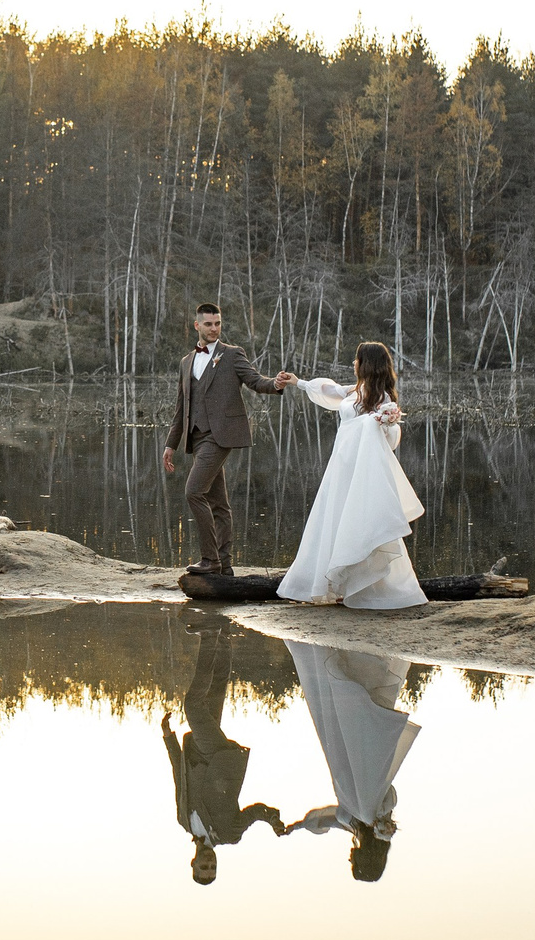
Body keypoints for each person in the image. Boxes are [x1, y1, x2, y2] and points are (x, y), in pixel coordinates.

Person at [276, 341, 427, 609]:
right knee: (335, 519)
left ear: (366, 363)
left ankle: (372, 587)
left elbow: (389, 440)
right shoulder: (356, 391)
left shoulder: (383, 401)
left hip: (362, 473)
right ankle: (335, 585)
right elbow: (331, 391)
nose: (353, 364)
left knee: (360, 522)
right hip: (342, 467)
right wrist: (298, 383)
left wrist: (382, 422)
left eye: (357, 360)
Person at [161, 302, 295, 576]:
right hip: (196, 438)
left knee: (193, 491)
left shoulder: (232, 355)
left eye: (218, 323)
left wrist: (276, 384)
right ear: (197, 325)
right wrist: (170, 445)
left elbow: (256, 381)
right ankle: (225, 563)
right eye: (208, 324)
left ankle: (210, 560)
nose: (214, 328)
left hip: (220, 436)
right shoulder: (186, 362)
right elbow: (180, 408)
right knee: (219, 503)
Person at [283, 637, 422, 883]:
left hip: (350, 748)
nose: (349, 858)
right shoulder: (368, 813)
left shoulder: (360, 821)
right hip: (353, 747)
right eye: (354, 861)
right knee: (344, 697)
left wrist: (298, 826)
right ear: (363, 855)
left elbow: (326, 819)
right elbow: (336, 815)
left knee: (354, 696)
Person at [162, 623, 288, 883]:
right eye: (212, 868)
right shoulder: (231, 834)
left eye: (203, 867)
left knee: (215, 690)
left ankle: (223, 637)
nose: (209, 864)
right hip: (221, 759)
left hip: (198, 751)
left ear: (193, 863)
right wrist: (273, 819)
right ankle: (209, 636)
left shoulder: (183, 822)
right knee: (193, 705)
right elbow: (255, 812)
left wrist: (168, 737)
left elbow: (180, 779)